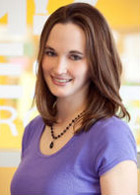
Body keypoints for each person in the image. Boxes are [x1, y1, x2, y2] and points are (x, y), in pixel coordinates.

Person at [11, 2, 138, 195]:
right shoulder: (33, 130)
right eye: (51, 53)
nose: (59, 68)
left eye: (75, 57)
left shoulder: (111, 135)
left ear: (97, 63)